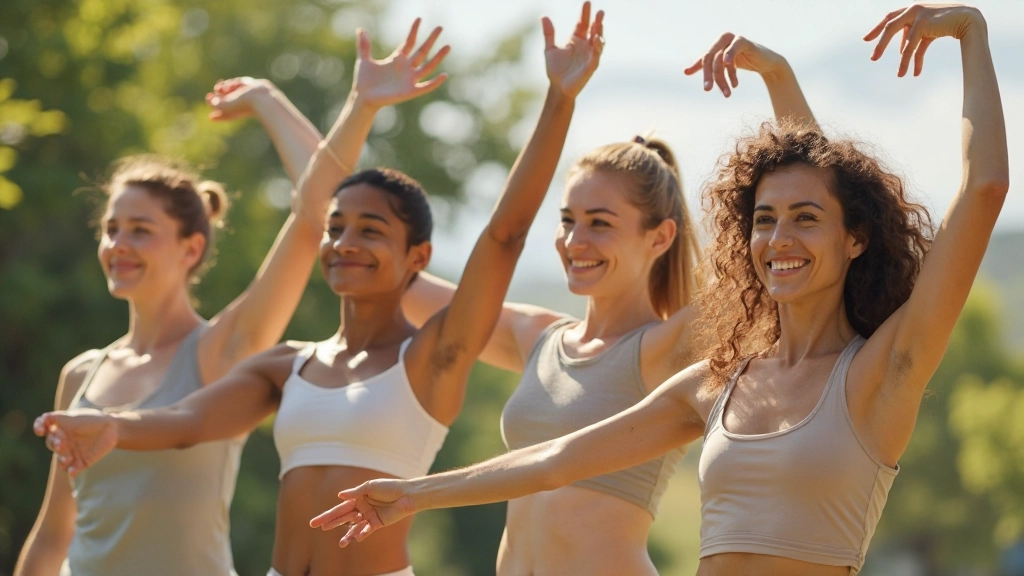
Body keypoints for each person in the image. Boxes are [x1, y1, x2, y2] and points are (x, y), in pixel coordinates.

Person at [308, 5, 1009, 576]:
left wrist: (972, 32)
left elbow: (983, 189)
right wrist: (411, 496)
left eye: (805, 220)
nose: (779, 238)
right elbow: (556, 460)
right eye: (763, 220)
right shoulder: (716, 384)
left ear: (854, 237)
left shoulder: (882, 371)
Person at [35, 7, 605, 575]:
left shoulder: (434, 354)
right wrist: (114, 426)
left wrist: (560, 98)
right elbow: (185, 423)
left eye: (371, 230)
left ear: (418, 258)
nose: (344, 243)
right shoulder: (286, 366)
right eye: (335, 229)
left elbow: (504, 236)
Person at [381, 29, 816, 576]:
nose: (575, 242)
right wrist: (358, 110)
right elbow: (384, 275)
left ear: (659, 237)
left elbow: (794, 236)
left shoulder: (667, 349)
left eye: (600, 224)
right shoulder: (536, 337)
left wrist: (778, 77)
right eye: (568, 222)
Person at [13, 16, 395, 575]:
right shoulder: (82, 375)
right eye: (111, 228)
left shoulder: (221, 351)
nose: (118, 244)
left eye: (140, 230)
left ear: (191, 248)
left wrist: (290, 102)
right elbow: (53, 537)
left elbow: (318, 215)